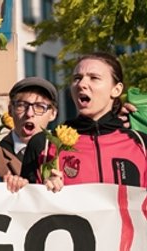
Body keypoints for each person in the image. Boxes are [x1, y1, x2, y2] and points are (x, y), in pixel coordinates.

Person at [21, 52, 147, 189]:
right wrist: (45, 191)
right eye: (77, 78)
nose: (82, 84)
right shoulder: (44, 143)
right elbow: (26, 205)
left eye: (94, 78)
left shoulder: (141, 144)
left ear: (116, 90)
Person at [0, 78, 59, 179]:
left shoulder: (61, 154)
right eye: (21, 105)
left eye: (39, 107)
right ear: (10, 110)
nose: (29, 113)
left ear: (53, 113)